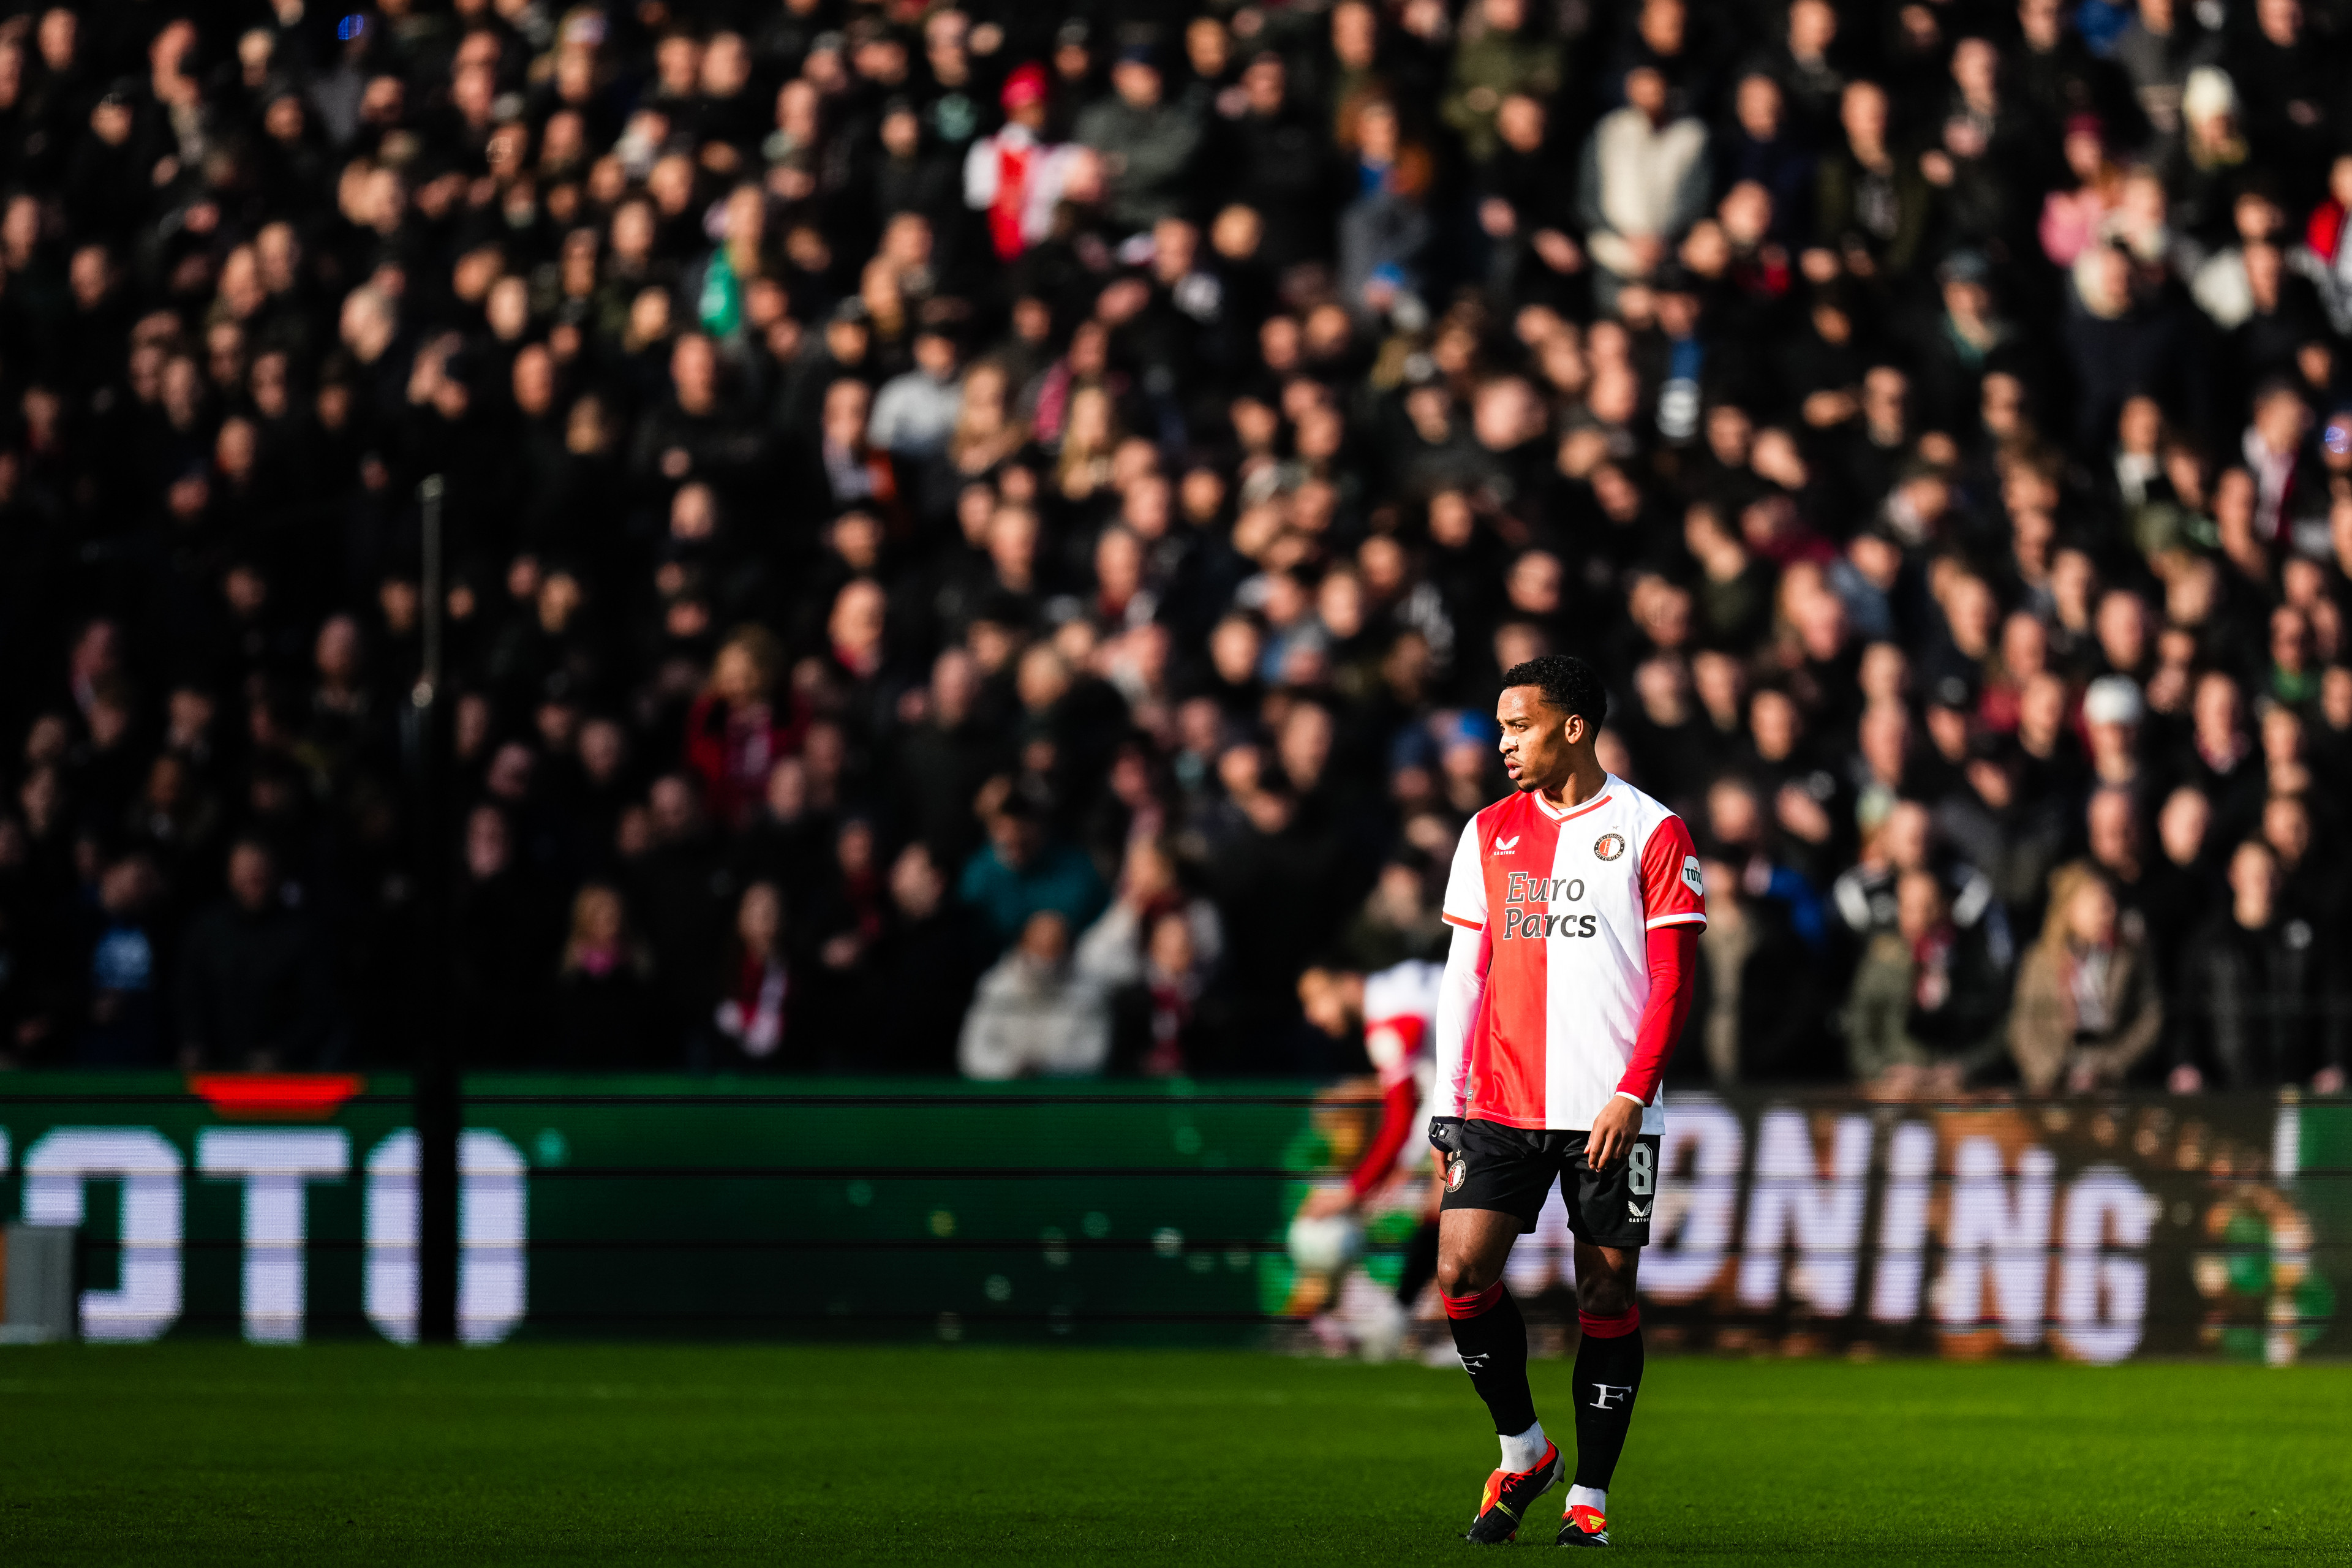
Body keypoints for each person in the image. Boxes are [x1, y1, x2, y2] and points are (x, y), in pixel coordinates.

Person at [1427, 654, 1705, 1547]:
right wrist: (1447, 1098)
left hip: (1609, 1109)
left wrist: (1633, 1091)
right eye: (1501, 727)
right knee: (1461, 1273)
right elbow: (1464, 975)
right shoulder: (1488, 833)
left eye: (1520, 726)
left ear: (1572, 728)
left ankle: (1591, 1495)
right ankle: (1523, 1448)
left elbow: (1671, 983)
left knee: (1606, 1293)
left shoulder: (1653, 832)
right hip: (1501, 1099)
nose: (1502, 743)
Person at [1296, 957, 1446, 1358]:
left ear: (1346, 983)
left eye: (1316, 1000)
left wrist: (1351, 1192)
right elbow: (1431, 1097)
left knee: (1457, 1216)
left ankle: (1424, 1328)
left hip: (1501, 1088)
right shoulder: (1403, 987)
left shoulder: (1388, 1020)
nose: (1313, 1016)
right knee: (1447, 1213)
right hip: (1493, 1083)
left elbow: (1399, 1116)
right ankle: (1400, 1320)